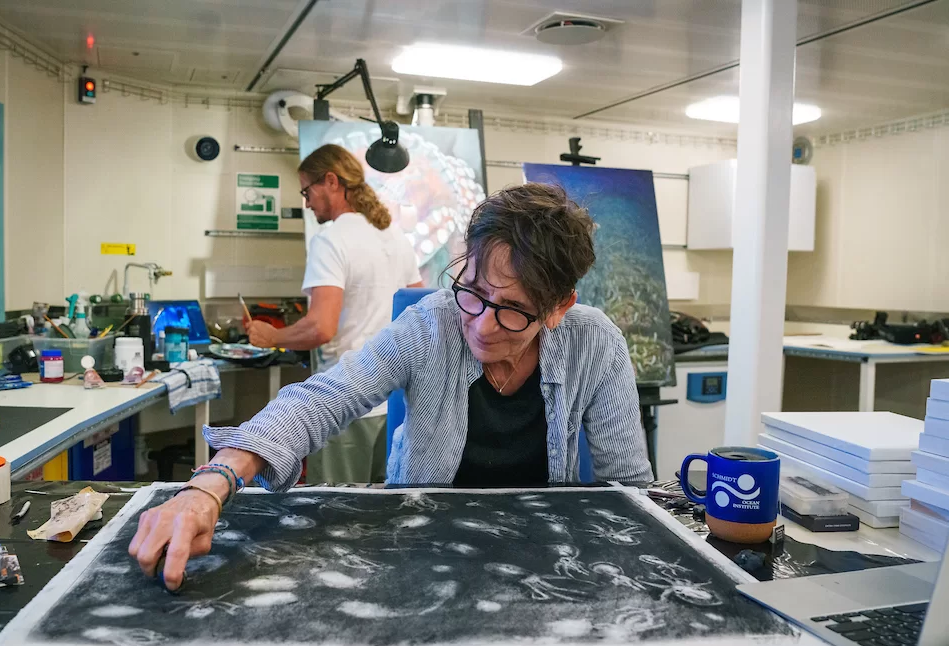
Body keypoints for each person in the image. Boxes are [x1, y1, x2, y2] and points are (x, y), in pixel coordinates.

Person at [131, 182, 651, 590]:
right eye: (472, 291)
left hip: (539, 555)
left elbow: (629, 487)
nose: (481, 325)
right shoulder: (430, 325)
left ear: (560, 306)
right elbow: (325, 398)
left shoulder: (596, 343)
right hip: (421, 543)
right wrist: (211, 483)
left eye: (512, 309)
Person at [245, 144, 421, 485]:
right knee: (385, 513)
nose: (307, 202)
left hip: (345, 401)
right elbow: (416, 308)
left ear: (331, 181)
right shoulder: (395, 236)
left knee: (337, 513)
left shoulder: (330, 240)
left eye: (306, 191)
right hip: (394, 403)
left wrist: (272, 336)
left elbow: (321, 327)